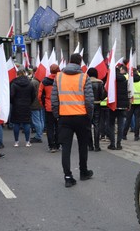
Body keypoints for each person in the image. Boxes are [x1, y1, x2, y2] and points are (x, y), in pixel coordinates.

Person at [51, 53, 94, 188]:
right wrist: (89, 116)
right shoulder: (84, 77)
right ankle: (83, 172)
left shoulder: (58, 77)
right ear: (80, 63)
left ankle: (68, 177)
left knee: (66, 148)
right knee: (83, 146)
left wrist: (57, 115)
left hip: (64, 117)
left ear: (69, 62)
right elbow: (89, 100)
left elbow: (54, 100)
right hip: (81, 117)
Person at [10, 66, 36, 147]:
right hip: (27, 105)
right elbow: (33, 95)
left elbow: (11, 95)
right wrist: (29, 102)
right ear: (25, 74)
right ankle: (27, 141)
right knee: (26, 123)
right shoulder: (30, 83)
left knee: (16, 123)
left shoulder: (14, 84)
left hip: (16, 105)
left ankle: (16, 141)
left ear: (17, 75)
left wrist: (13, 102)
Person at [108, 64, 131, 149]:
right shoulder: (125, 81)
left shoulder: (111, 82)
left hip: (113, 105)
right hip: (122, 106)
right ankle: (119, 143)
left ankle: (112, 143)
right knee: (121, 124)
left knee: (111, 124)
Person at [40, 64, 61, 152]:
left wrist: (43, 104)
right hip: (60, 106)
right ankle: (57, 144)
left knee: (50, 127)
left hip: (48, 106)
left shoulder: (44, 81)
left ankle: (51, 146)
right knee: (59, 126)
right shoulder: (61, 80)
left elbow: (40, 95)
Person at [123, 71, 140, 142]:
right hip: (139, 103)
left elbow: (125, 93)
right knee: (137, 120)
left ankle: (124, 135)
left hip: (130, 103)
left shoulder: (129, 82)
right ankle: (136, 136)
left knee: (128, 119)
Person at [87, 68, 106, 152]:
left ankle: (90, 146)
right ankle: (97, 146)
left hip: (88, 105)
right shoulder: (100, 82)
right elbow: (103, 95)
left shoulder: (86, 82)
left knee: (88, 125)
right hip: (97, 104)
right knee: (96, 124)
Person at [29, 69, 44, 145]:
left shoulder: (33, 82)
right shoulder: (40, 81)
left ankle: (38, 136)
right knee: (40, 120)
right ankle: (39, 134)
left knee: (36, 120)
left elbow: (30, 93)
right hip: (40, 103)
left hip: (34, 103)